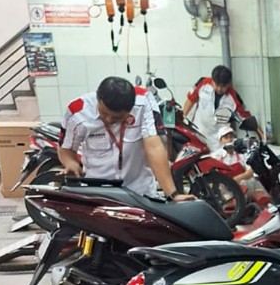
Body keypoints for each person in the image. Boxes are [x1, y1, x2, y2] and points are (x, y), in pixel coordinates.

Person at [59, 77, 193, 201]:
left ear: (130, 110)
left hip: (140, 194)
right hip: (98, 193)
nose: (109, 119)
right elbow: (66, 148)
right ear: (98, 98)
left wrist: (173, 194)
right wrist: (70, 163)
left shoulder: (144, 101)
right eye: (104, 113)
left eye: (116, 117)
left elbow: (154, 147)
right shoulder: (77, 111)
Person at [183, 65, 264, 148]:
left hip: (218, 139)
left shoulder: (233, 97)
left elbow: (245, 115)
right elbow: (190, 100)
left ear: (228, 84)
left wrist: (259, 132)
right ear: (212, 80)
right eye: (216, 85)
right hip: (198, 132)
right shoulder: (202, 84)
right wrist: (182, 118)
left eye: (223, 86)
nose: (219, 89)